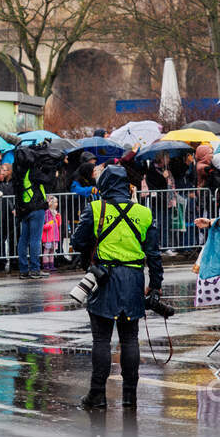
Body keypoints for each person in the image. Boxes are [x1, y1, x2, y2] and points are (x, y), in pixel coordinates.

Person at [69, 165, 163, 410]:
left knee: (101, 339)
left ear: (104, 186)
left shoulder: (95, 208)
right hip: (133, 278)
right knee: (130, 338)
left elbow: (78, 241)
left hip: (104, 278)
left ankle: (97, 394)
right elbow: (153, 253)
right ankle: (129, 397)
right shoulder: (143, 213)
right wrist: (155, 285)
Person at [13, 145, 54, 280]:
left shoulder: (18, 170)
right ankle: (35, 269)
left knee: (23, 239)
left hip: (24, 208)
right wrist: (51, 167)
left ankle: (24, 270)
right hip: (36, 207)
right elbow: (48, 180)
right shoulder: (33, 171)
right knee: (35, 239)